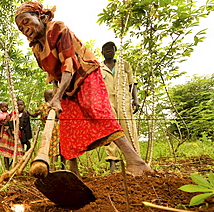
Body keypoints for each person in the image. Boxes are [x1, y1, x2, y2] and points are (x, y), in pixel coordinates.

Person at [15, 1, 152, 176]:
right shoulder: (36, 48)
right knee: (67, 125)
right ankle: (74, 173)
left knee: (98, 113)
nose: (24, 28)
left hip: (84, 74)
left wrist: (58, 97)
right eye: (20, 27)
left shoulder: (57, 28)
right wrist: (56, 95)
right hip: (66, 84)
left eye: (26, 22)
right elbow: (52, 74)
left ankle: (136, 162)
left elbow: (69, 63)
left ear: (40, 17)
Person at [101, 41, 141, 172]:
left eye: (111, 49)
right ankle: (112, 162)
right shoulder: (98, 68)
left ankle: (135, 160)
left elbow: (132, 83)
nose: (108, 51)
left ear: (115, 50)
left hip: (123, 100)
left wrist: (136, 100)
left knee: (128, 128)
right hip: (107, 102)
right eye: (105, 49)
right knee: (110, 130)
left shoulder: (124, 65)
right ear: (102, 53)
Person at [28, 89, 61, 170]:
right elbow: (58, 117)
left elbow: (34, 115)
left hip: (47, 129)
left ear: (45, 97)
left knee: (48, 147)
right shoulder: (55, 106)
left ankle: (52, 167)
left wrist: (29, 113)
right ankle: (53, 167)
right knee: (55, 148)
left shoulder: (42, 106)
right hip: (56, 128)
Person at [0, 102, 25, 170]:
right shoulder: (10, 114)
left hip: (15, 135)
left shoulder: (22, 115)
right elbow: (6, 124)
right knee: (5, 152)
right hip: (7, 135)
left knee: (17, 152)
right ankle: (7, 167)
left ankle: (14, 167)